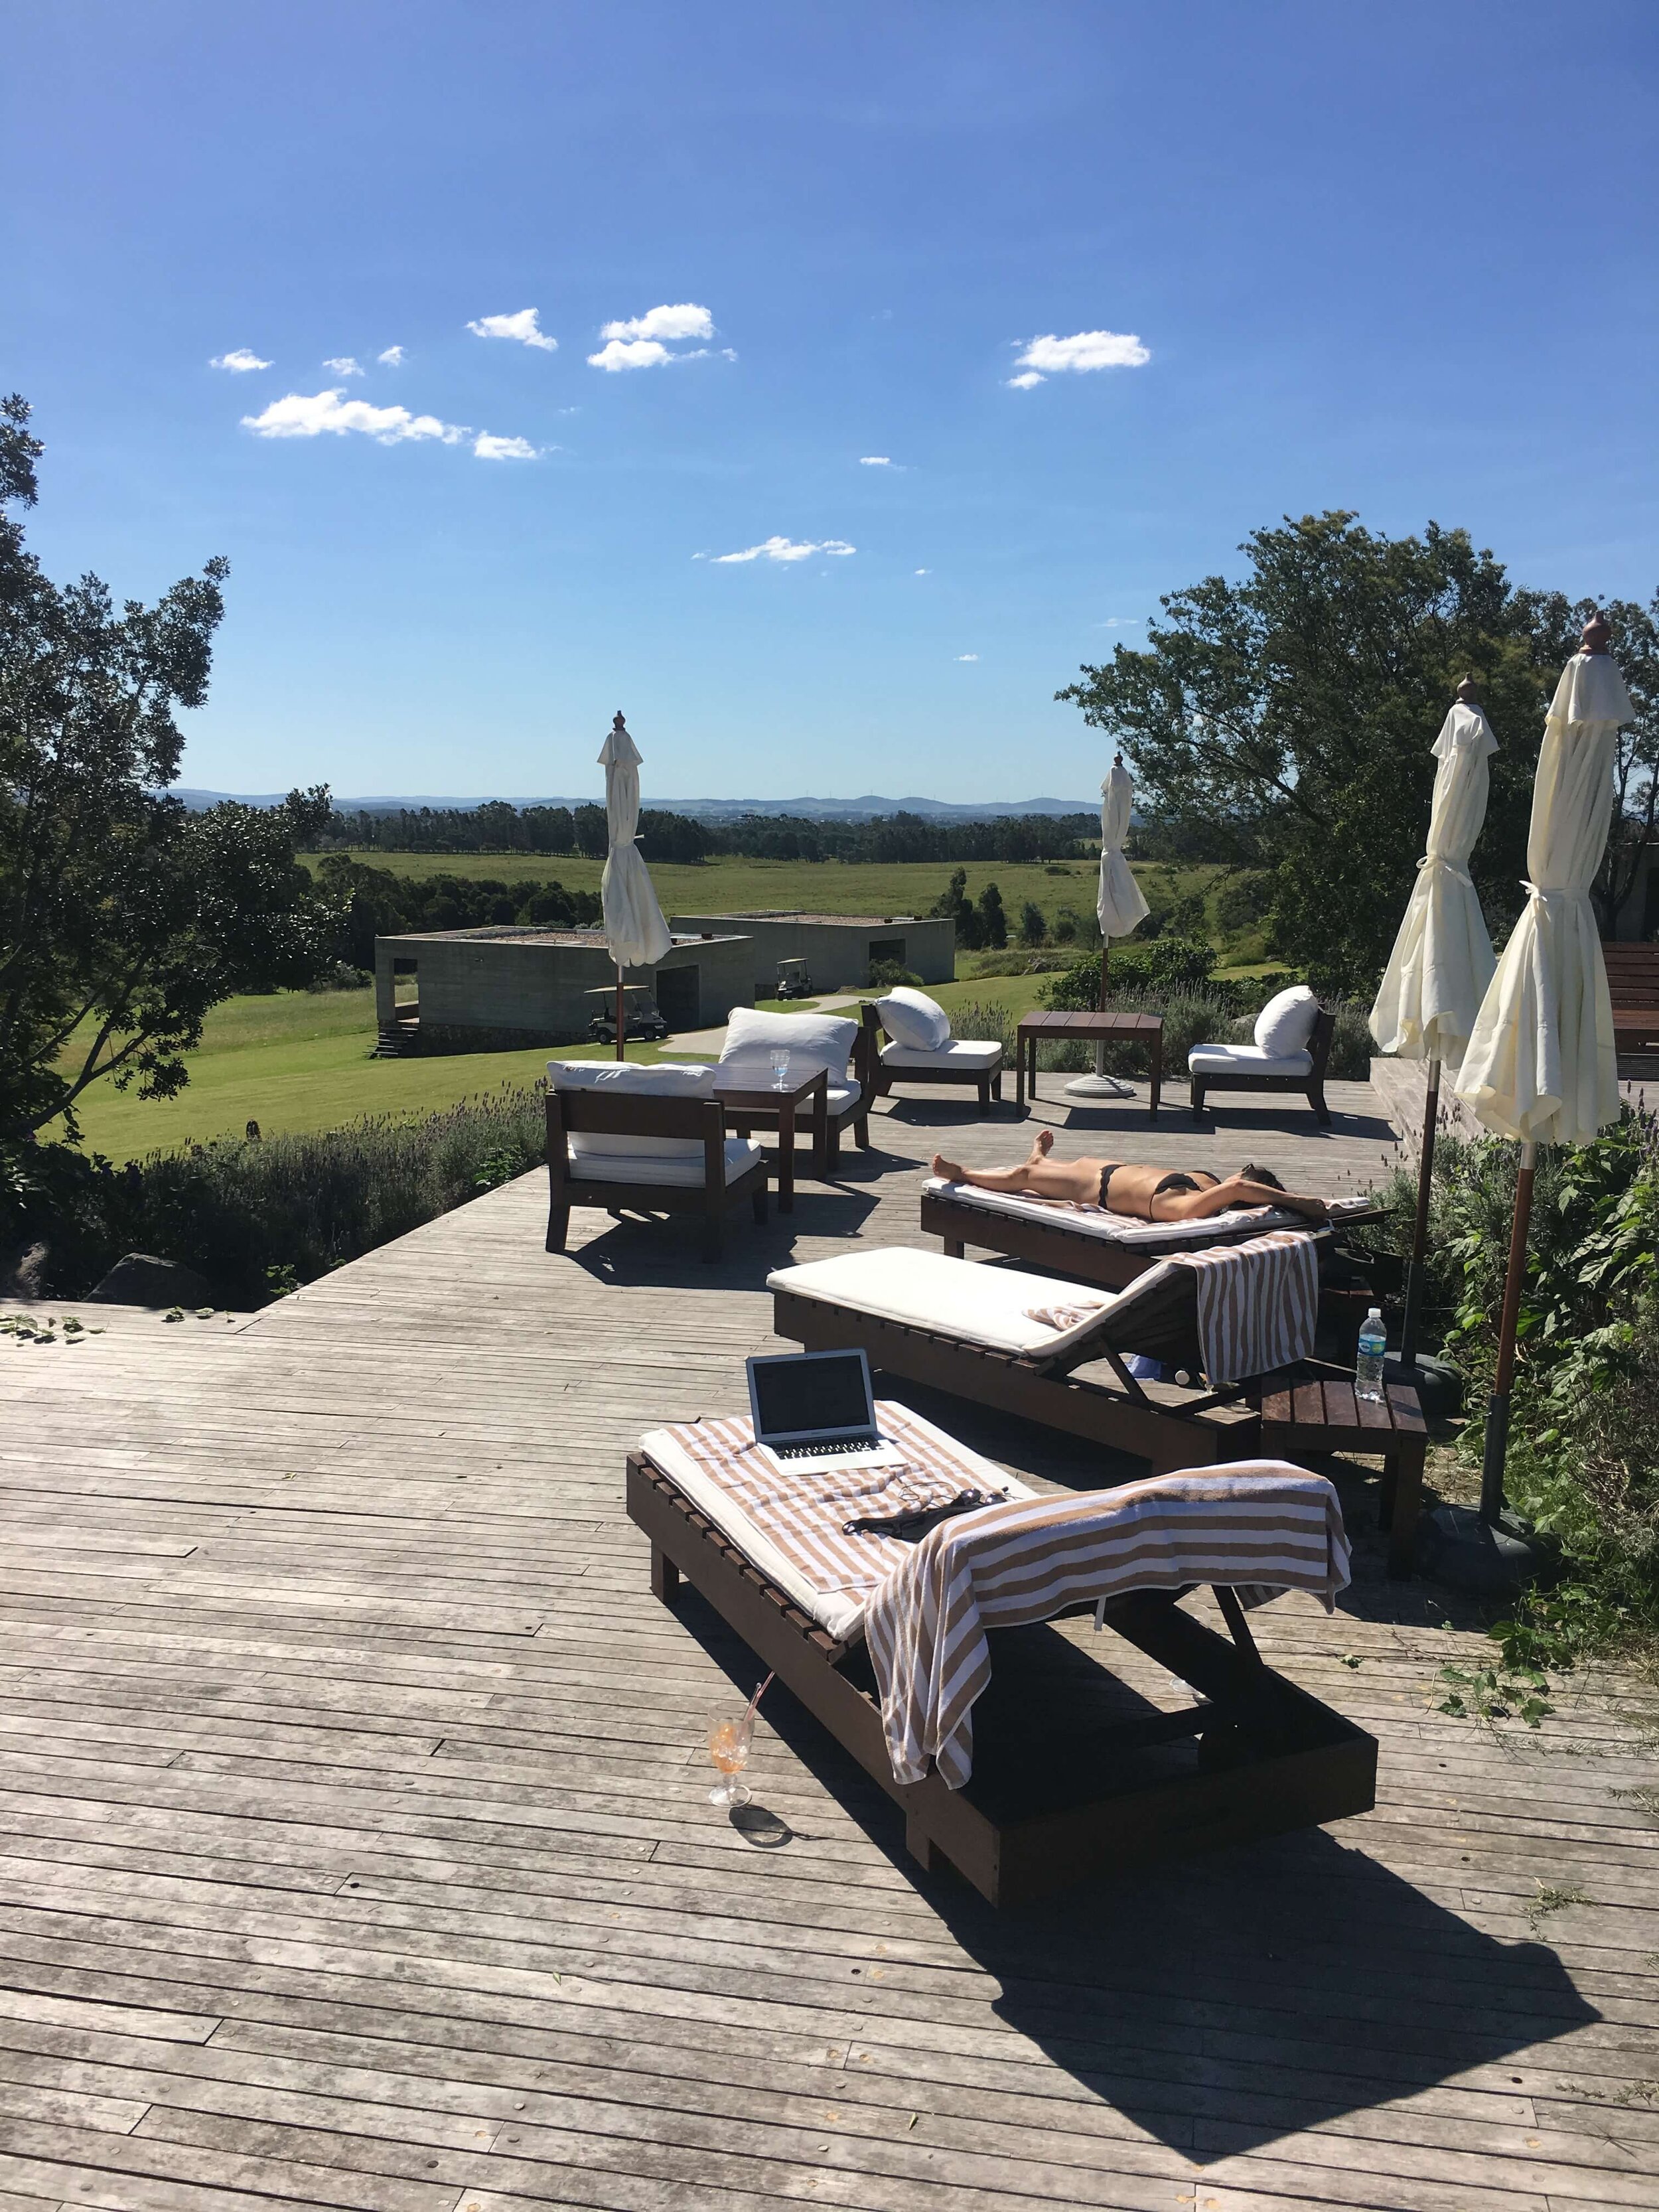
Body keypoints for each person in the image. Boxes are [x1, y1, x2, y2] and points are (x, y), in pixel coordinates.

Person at [930, 1129, 1331, 1223]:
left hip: (1096, 1188)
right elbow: (1241, 1184)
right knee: (1040, 1169)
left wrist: (1299, 1202)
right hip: (1105, 1168)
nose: (1238, 1174)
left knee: (1022, 1177)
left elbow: (1241, 1188)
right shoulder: (1210, 1184)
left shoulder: (1198, 1206)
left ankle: (961, 1172)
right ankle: (1037, 1157)